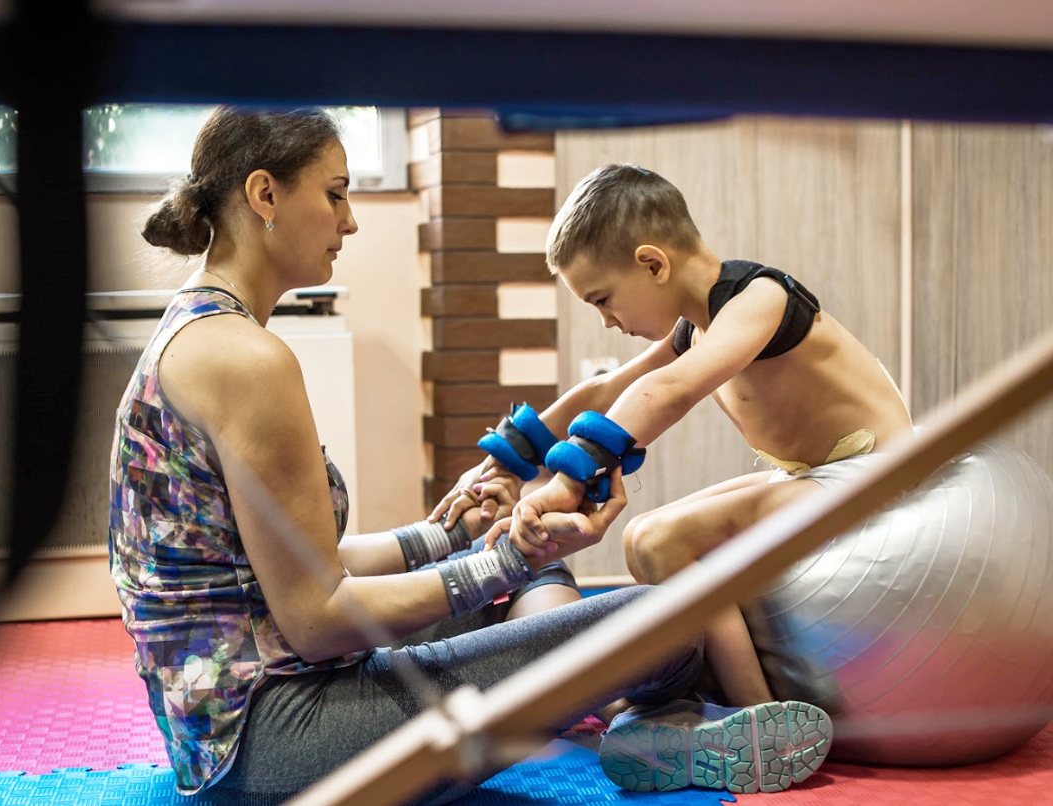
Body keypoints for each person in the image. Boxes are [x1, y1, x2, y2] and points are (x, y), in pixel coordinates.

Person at [107, 109, 707, 805]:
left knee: (511, 557)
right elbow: (317, 619)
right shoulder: (243, 359)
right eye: (335, 194)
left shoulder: (197, 330)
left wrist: (451, 535)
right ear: (264, 194)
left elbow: (299, 566)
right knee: (667, 622)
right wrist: (509, 561)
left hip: (242, 720)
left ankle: (611, 707)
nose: (350, 221)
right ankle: (643, 716)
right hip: (276, 742)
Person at [439, 161, 912, 787]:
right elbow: (606, 389)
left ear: (652, 263)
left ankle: (757, 722)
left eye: (602, 299)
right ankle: (691, 708)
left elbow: (669, 389)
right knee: (645, 539)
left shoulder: (761, 299)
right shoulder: (698, 323)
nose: (606, 321)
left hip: (878, 477)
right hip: (821, 474)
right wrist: (503, 462)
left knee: (664, 540)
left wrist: (568, 482)